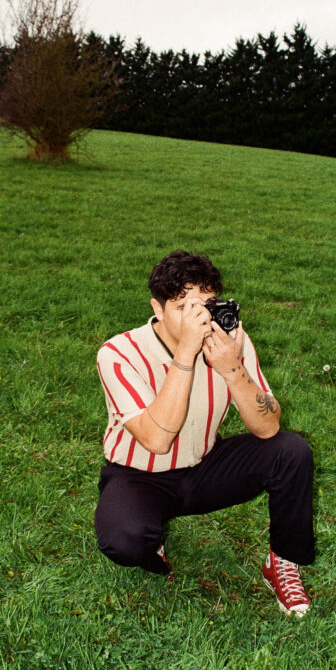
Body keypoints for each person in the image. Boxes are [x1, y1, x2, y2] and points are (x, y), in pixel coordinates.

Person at [95, 250, 315, 616]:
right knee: (126, 539)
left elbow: (268, 425)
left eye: (207, 304)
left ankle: (283, 562)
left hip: (204, 464)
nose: (199, 318)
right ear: (158, 307)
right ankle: (151, 539)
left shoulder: (229, 341)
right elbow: (156, 440)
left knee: (291, 451)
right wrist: (185, 355)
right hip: (140, 475)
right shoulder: (119, 353)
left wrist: (231, 369)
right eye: (184, 307)